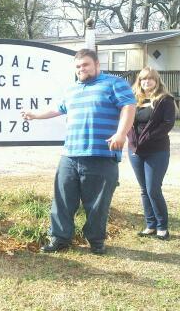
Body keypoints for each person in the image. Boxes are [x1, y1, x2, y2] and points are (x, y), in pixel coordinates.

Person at [22, 49, 136, 254]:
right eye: (78, 66)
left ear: (96, 65)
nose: (81, 69)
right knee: (63, 199)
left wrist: (121, 134)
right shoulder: (71, 89)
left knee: (98, 204)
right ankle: (60, 238)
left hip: (101, 154)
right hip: (70, 155)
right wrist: (34, 114)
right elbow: (56, 109)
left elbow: (128, 107)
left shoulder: (114, 83)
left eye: (85, 65)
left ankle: (96, 241)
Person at [127, 67, 175, 241]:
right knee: (143, 189)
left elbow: (167, 124)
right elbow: (125, 120)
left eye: (150, 79)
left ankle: (162, 227)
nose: (146, 82)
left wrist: (147, 138)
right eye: (143, 79)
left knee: (153, 188)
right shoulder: (133, 99)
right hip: (135, 150)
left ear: (156, 80)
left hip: (157, 150)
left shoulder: (165, 100)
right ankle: (150, 225)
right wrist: (130, 138)